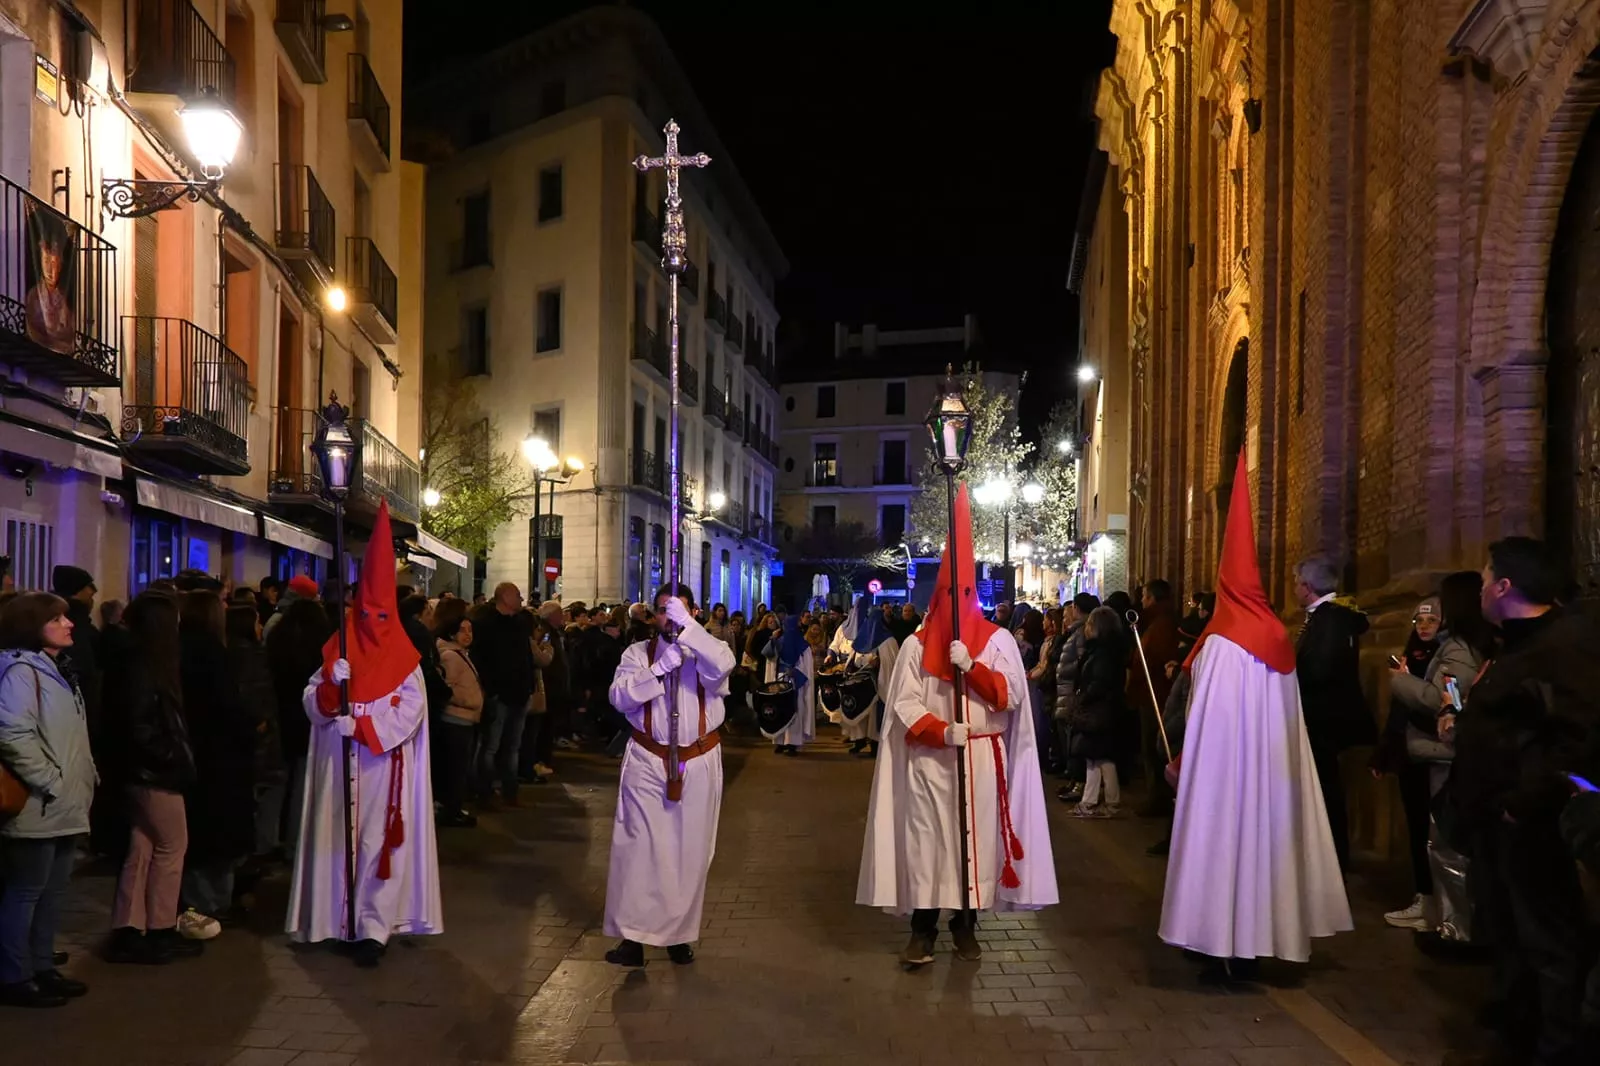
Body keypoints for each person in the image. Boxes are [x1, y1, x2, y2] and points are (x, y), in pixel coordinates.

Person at [1160, 456, 1351, 981]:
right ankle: (1256, 942)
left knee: (1223, 849)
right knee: (1264, 851)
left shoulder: (1222, 644)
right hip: (1270, 778)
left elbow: (1206, 719)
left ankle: (1218, 941)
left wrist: (1186, 760)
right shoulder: (1277, 636)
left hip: (1224, 779)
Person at [857, 485, 1057, 967]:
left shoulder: (999, 641)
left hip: (983, 758)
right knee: (928, 843)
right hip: (931, 761)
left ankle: (966, 926)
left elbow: (1011, 695)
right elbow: (903, 703)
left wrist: (973, 667)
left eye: (965, 593)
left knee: (975, 843)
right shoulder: (915, 645)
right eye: (950, 593)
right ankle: (922, 930)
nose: (957, 602)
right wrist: (941, 731)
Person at [1447, 537, 1600, 1064]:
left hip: (1532, 825)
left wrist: (1523, 802)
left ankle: (1556, 1049)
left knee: (1548, 942)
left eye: (1486, 578)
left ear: (1506, 586)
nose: (1481, 588)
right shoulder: (1514, 643)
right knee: (1509, 934)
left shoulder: (1565, 645)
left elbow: (1575, 738)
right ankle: (1515, 1034)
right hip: (1497, 820)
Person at [286, 502, 441, 968]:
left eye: (381, 616)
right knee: (336, 840)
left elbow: (411, 711)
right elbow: (311, 700)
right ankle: (339, 921)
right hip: (338, 764)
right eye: (366, 614)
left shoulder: (406, 663)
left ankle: (373, 927)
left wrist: (366, 727)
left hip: (380, 766)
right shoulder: (338, 647)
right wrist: (329, 689)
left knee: (377, 845)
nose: (373, 624)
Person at [603, 583, 736, 967]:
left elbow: (723, 666)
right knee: (638, 849)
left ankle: (677, 934)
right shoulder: (636, 654)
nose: (669, 617)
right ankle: (633, 938)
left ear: (692, 612)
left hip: (698, 761)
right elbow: (619, 697)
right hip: (647, 760)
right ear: (653, 616)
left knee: (688, 850)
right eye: (663, 610)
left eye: (677, 609)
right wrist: (659, 670)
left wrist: (689, 633)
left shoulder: (709, 651)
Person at [1373, 580, 1488, 932]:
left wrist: (1400, 681)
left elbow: (1441, 699)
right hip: (1422, 751)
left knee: (1443, 841)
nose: (1425, 626)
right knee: (1428, 836)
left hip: (1439, 753)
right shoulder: (1438, 647)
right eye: (1418, 620)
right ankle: (1436, 909)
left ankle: (1449, 921)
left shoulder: (1458, 650)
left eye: (1434, 617)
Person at [0, 592, 95, 1007]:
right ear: (31, 625)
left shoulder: (57, 669)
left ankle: (41, 967)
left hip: (63, 800)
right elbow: (12, 733)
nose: (68, 624)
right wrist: (50, 780)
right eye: (57, 619)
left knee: (52, 892)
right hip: (39, 801)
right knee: (26, 891)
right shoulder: (20, 671)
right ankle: (13, 976)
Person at [104, 593, 199, 966]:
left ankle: (129, 927)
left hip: (137, 773)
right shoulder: (145, 667)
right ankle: (160, 928)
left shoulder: (131, 662)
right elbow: (140, 728)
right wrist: (172, 756)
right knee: (171, 846)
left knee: (142, 846)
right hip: (153, 774)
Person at [1292, 555, 1375, 871]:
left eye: (1296, 582)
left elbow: (1320, 669)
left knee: (1326, 792)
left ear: (1307, 586)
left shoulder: (1330, 620)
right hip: (1321, 718)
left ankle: (1331, 862)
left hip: (1324, 720)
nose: (1294, 589)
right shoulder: (1326, 617)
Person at [264, 597, 331, 859]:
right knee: (302, 785)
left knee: (277, 784)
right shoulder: (320, 648)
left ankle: (268, 841)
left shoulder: (277, 641)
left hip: (279, 718)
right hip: (306, 722)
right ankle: (295, 843)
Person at [469, 584, 535, 809]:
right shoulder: (486, 624)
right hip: (499, 695)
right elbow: (481, 660)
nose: (521, 599)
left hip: (519, 694)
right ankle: (485, 792)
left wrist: (529, 686)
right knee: (491, 746)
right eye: (517, 595)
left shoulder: (520, 623)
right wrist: (492, 690)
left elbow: (526, 658)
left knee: (512, 746)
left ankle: (510, 791)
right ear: (505, 597)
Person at [1066, 607, 1130, 817]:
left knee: (1097, 757)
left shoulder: (1103, 653)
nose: (1086, 628)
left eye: (1090, 624)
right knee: (1098, 757)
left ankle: (1096, 802)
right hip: (1102, 709)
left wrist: (1083, 697)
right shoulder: (1104, 650)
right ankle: (1102, 800)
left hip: (1100, 710)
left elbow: (1100, 682)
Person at [1129, 580, 1180, 816]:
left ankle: (1159, 798)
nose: (1141, 600)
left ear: (1153, 598)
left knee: (1153, 746)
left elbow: (1158, 657)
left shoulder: (1162, 624)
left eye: (1144, 596)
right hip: (1148, 693)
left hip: (1155, 695)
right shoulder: (1153, 621)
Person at [432, 598, 481, 828]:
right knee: (455, 769)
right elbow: (446, 688)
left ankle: (454, 807)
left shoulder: (461, 654)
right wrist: (468, 701)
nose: (468, 635)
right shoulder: (450, 656)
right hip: (456, 718)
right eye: (462, 630)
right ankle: (451, 809)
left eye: (470, 630)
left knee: (460, 767)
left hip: (465, 719)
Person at [843, 598, 900, 759]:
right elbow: (853, 656)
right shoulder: (863, 636)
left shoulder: (888, 640)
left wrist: (879, 662)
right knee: (860, 715)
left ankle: (875, 746)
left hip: (877, 685)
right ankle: (859, 741)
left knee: (874, 717)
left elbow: (891, 664)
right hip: (861, 684)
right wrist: (850, 667)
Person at [766, 615, 815, 756]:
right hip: (780, 679)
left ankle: (792, 742)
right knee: (780, 710)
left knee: (795, 711)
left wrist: (795, 672)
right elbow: (771, 660)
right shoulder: (778, 642)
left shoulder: (803, 645)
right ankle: (780, 741)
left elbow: (806, 667)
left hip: (795, 682)